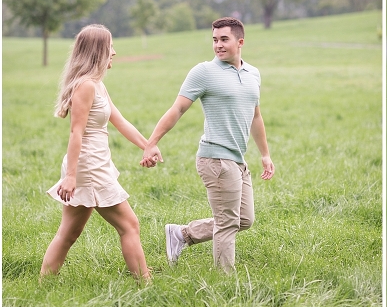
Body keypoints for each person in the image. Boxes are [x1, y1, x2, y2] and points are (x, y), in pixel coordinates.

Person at [141, 17, 274, 272]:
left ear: (240, 41)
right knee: (227, 224)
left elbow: (255, 116)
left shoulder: (253, 74)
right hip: (215, 159)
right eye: (214, 40)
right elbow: (177, 109)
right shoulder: (204, 72)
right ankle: (225, 285)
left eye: (224, 39)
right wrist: (151, 143)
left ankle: (182, 234)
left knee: (244, 219)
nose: (218, 45)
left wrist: (265, 154)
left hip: (238, 159)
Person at [42, 24, 151, 282]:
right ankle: (145, 284)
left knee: (68, 233)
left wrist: (148, 145)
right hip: (88, 167)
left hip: (93, 164)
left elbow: (120, 121)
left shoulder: (96, 85)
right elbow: (75, 133)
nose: (114, 52)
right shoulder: (86, 87)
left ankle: (43, 284)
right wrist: (70, 176)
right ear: (98, 51)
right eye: (110, 46)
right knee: (129, 225)